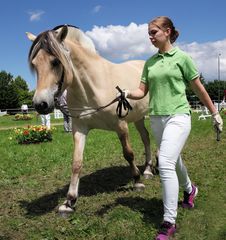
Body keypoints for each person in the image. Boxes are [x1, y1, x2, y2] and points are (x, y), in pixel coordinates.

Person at [119, 16, 223, 240]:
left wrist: (215, 113)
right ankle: (190, 189)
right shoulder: (150, 63)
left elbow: (199, 89)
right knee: (174, 161)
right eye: (149, 33)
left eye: (154, 32)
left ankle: (169, 221)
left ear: (167, 31)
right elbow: (141, 91)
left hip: (179, 116)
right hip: (156, 118)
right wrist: (126, 93)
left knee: (164, 162)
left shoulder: (182, 58)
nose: (150, 36)